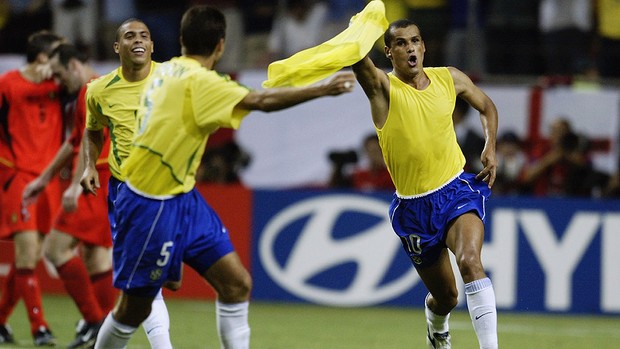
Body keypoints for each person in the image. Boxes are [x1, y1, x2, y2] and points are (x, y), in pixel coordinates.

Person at [80, 5, 355, 349]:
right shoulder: (199, 83)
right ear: (221, 46)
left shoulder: (168, 71)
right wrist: (322, 88)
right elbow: (263, 101)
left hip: (183, 197)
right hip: (149, 203)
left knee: (236, 283)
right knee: (134, 308)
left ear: (179, 41)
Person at [351, 19, 499, 349]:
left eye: (415, 41)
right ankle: (437, 326)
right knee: (446, 296)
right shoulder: (383, 89)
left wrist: (490, 145)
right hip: (414, 208)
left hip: (456, 189)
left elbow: (486, 106)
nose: (410, 48)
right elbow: (358, 61)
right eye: (401, 43)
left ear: (424, 46)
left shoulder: (449, 78)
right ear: (389, 52)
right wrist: (356, 31)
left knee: (471, 262)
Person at [77, 18, 177, 348]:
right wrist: (91, 165)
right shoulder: (99, 90)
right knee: (145, 283)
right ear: (117, 47)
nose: (138, 40)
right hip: (128, 194)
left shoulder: (173, 79)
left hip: (172, 190)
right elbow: (93, 130)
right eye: (130, 36)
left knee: (165, 281)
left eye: (144, 36)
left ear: (152, 46)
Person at [21, 42, 108, 349]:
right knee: (96, 260)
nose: (57, 82)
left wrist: (74, 184)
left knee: (56, 249)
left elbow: (87, 141)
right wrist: (44, 179)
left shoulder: (92, 89)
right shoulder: (91, 90)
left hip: (96, 178)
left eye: (59, 74)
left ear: (73, 66)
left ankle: (96, 321)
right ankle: (106, 331)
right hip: (100, 179)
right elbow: (74, 141)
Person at [0, 30, 64, 346]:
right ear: (42, 57)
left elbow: (91, 78)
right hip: (21, 178)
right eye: (58, 54)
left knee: (32, 255)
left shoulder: (61, 85)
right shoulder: (8, 84)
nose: (65, 61)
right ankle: (39, 326)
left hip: (48, 181)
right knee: (26, 253)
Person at [328, 133, 394, 192]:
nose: (372, 155)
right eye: (369, 151)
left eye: (375, 151)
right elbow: (335, 187)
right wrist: (338, 166)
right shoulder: (358, 175)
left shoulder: (392, 176)